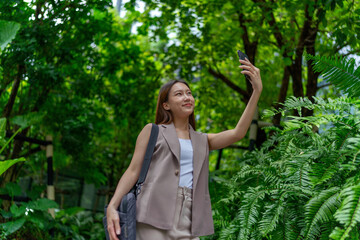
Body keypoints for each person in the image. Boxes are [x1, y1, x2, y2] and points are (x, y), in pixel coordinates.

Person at [106, 58, 262, 240]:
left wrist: (256, 91)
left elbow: (238, 133)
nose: (187, 97)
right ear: (166, 105)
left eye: (189, 93)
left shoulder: (202, 140)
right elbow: (133, 171)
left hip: (190, 216)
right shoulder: (153, 131)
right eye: (179, 94)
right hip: (153, 211)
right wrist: (112, 206)